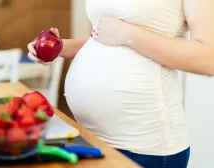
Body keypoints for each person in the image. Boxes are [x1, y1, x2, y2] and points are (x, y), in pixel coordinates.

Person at [27, 0, 214, 167]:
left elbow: (208, 59)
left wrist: (128, 34)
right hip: (92, 138)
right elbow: (103, 37)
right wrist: (60, 47)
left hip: (146, 148)